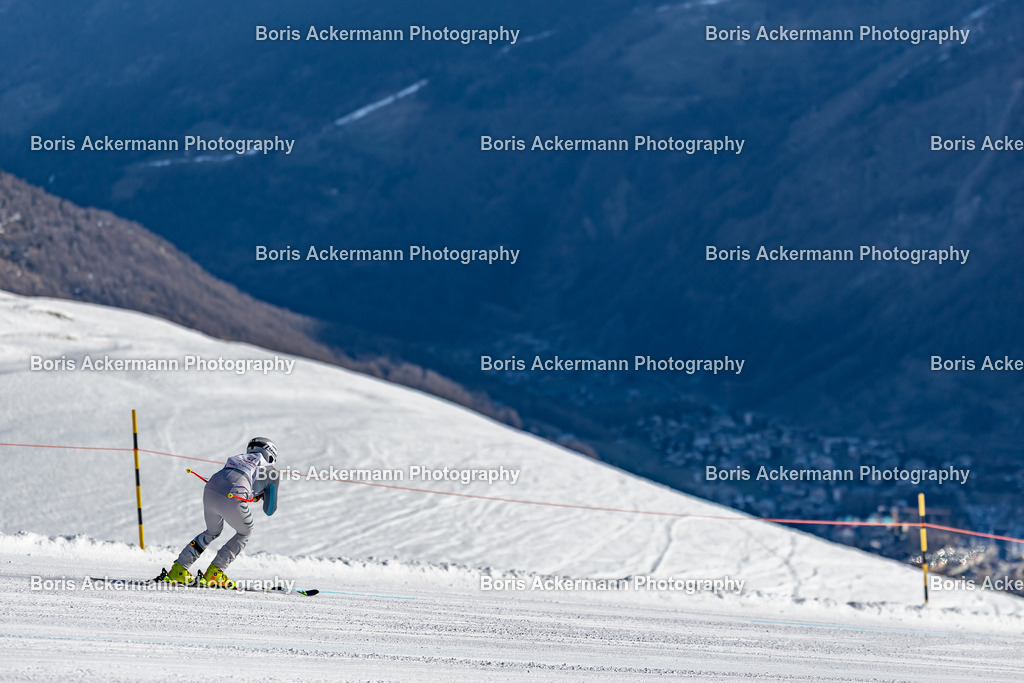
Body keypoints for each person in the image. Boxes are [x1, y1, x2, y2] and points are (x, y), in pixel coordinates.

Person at [163, 437, 280, 588]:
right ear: (271, 455)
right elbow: (270, 510)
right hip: (233, 494)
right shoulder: (271, 471)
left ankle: (178, 570)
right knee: (245, 532)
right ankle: (215, 572)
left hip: (210, 488)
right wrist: (262, 495)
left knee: (212, 531)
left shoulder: (239, 458)